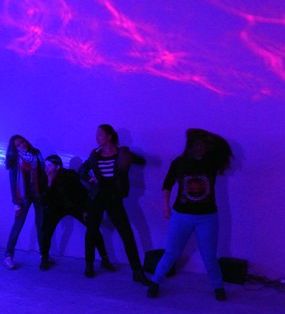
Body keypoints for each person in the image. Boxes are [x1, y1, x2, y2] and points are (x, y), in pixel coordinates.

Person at [146, 128, 233, 300]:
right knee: (171, 251)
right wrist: (165, 206)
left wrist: (202, 135)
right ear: (190, 146)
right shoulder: (179, 163)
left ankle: (218, 287)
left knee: (209, 256)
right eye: (197, 144)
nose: (200, 147)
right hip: (181, 216)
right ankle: (155, 282)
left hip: (207, 217)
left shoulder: (212, 161)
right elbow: (167, 185)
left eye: (203, 144)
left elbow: (223, 147)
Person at [79, 124, 148, 282]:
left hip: (114, 197)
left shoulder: (122, 153)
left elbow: (141, 161)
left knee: (127, 233)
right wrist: (90, 179)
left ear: (110, 136)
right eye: (97, 135)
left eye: (100, 134)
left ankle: (137, 271)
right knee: (92, 231)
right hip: (97, 197)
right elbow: (82, 170)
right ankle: (89, 265)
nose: (97, 138)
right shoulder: (95, 155)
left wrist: (128, 156)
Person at [39, 155, 115, 273]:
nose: (46, 168)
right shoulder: (44, 178)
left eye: (49, 165)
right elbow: (44, 199)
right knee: (46, 229)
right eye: (46, 165)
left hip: (74, 206)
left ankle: (104, 259)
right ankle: (44, 258)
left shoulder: (69, 175)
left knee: (93, 228)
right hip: (56, 208)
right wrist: (49, 182)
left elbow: (81, 193)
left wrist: (85, 210)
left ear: (57, 167)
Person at [3, 135, 47, 269]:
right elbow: (13, 182)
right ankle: (8, 256)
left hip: (38, 194)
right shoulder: (15, 159)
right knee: (18, 225)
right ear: (14, 148)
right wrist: (16, 203)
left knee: (41, 225)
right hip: (23, 196)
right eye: (18, 144)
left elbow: (43, 173)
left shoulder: (36, 153)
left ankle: (44, 255)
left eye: (22, 141)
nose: (22, 144)